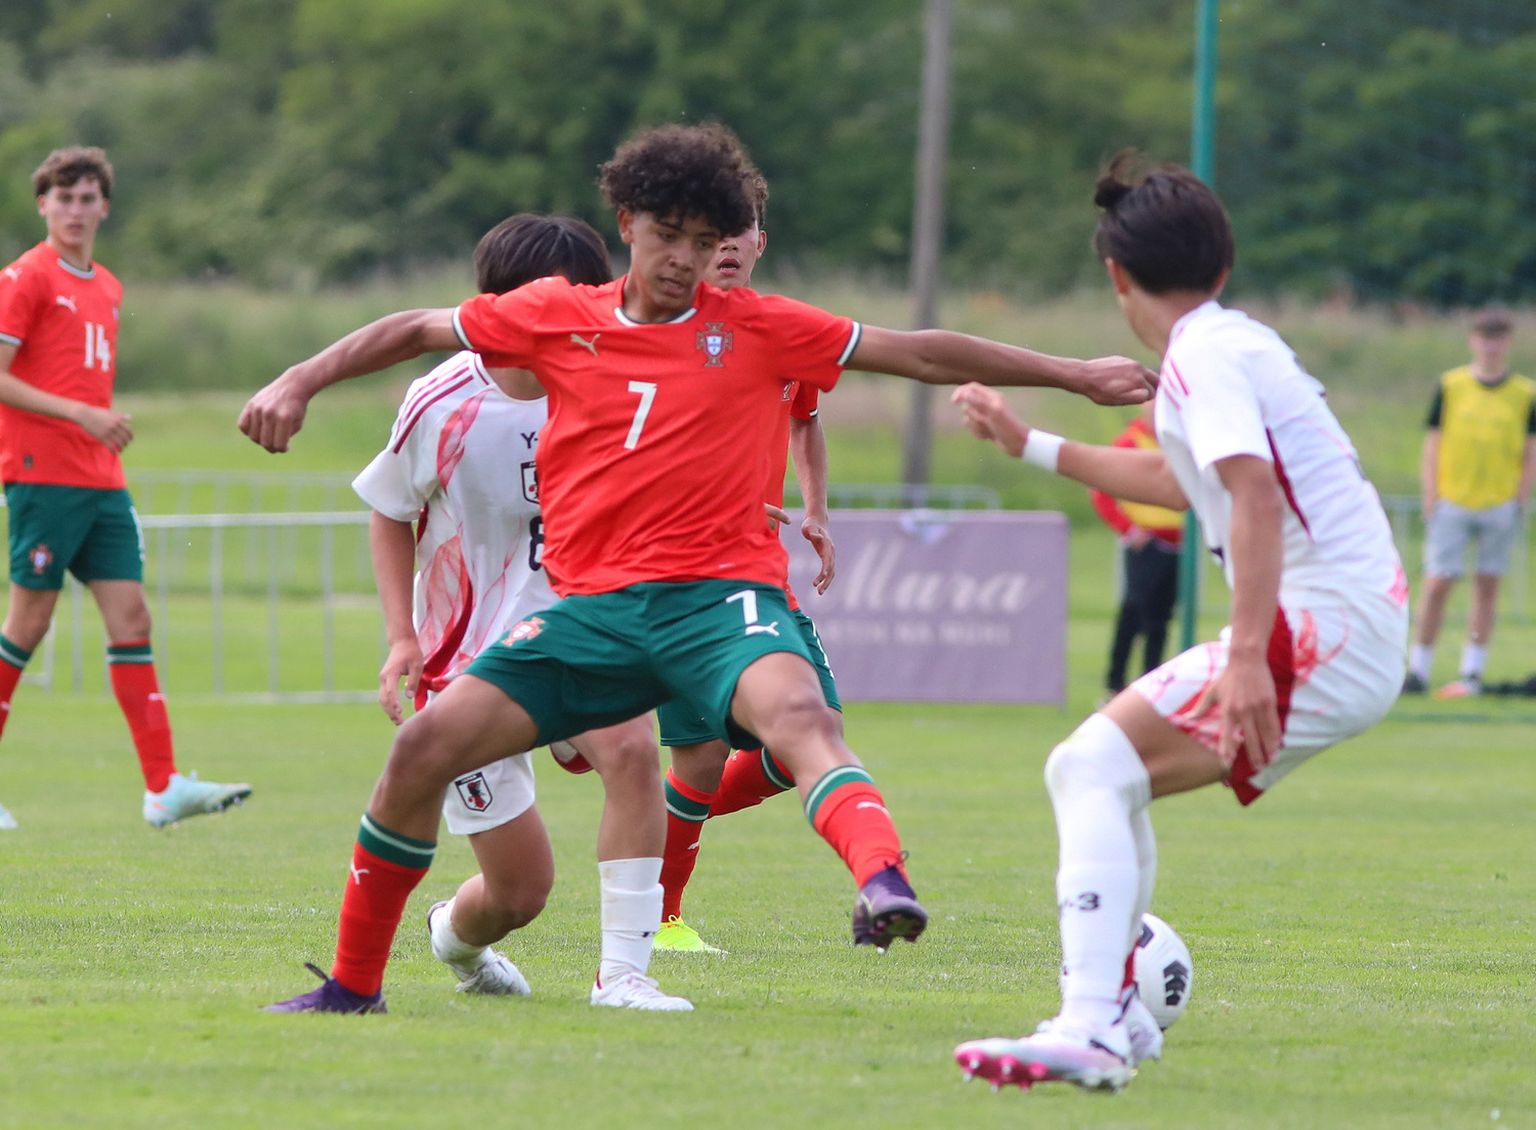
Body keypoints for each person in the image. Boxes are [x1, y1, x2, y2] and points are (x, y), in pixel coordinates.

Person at [242, 122, 1156, 1014]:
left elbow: (916, 351)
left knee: (799, 720)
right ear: (628, 224)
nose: (683, 258)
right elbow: (414, 327)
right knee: (421, 751)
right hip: (592, 613)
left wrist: (1074, 374)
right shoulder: (558, 316)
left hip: (720, 604)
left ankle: (878, 883)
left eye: (703, 240)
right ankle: (352, 986)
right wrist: (298, 379)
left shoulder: (759, 327)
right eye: (667, 234)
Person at [951, 152, 1408, 1093]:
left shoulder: (1204, 356)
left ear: (1115, 275)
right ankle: (1115, 1018)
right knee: (1105, 773)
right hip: (1350, 623)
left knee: (1088, 766)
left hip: (1323, 624)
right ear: (1223, 265)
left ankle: (1091, 1023)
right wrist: (1030, 442)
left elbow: (1253, 493)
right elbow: (1181, 480)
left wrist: (1246, 657)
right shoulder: (1230, 344)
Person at [353, 213, 689, 1010]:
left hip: (578, 632)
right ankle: (453, 936)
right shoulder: (441, 400)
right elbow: (391, 511)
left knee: (634, 750)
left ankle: (624, 976)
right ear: (495, 307)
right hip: (469, 663)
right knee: (519, 893)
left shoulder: (613, 388)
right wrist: (401, 636)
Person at [0, 146, 250, 830]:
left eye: (87, 198)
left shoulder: (107, 286)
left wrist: (93, 423)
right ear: (42, 205)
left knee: (133, 620)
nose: (75, 210)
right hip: (43, 474)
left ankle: (163, 787)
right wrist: (79, 414)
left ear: (104, 207)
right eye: (63, 198)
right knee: (29, 623)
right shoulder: (24, 277)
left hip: (101, 480)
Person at [649, 172, 841, 954]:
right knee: (700, 756)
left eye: (740, 229)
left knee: (809, 737)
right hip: (682, 574)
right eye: (710, 232)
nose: (727, 244)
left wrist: (815, 508)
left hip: (758, 572)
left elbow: (806, 417)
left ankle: (651, 822)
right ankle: (661, 917)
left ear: (761, 240)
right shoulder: (661, 331)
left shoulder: (783, 332)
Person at [1402, 306, 1534, 699]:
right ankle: (1418, 668)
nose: (1491, 346)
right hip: (1454, 499)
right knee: (1438, 582)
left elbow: (1530, 449)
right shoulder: (1452, 385)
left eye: (1498, 338)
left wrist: (1520, 497)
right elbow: (1433, 442)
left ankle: (1472, 670)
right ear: (1473, 341)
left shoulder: (1525, 394)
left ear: (1507, 343)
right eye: (1485, 338)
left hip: (1499, 502)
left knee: (1487, 586)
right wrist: (1431, 494)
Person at [1089, 403, 1182, 699]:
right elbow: (1100, 490)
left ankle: (1151, 685)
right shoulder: (1130, 442)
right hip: (1147, 543)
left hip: (1178, 545)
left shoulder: (1179, 442)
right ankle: (1115, 684)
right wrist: (1127, 528)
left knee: (1161, 619)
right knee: (1134, 611)